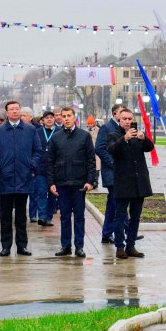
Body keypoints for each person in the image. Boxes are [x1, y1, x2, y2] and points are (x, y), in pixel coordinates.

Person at [0, 101, 42, 256]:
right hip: (4, 178)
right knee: (5, 216)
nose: (14, 112)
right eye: (11, 109)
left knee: (20, 216)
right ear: (6, 112)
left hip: (23, 177)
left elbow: (37, 150)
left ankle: (22, 246)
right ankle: (5, 246)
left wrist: (31, 165)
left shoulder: (30, 129)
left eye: (17, 109)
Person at [49, 108, 98, 257]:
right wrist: (51, 182)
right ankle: (65, 246)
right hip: (62, 183)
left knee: (78, 216)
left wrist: (90, 181)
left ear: (74, 117)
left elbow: (91, 160)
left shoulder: (84, 136)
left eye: (69, 116)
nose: (66, 119)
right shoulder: (56, 137)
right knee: (64, 216)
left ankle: (79, 246)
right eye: (63, 116)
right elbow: (50, 161)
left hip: (79, 183)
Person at [106, 107, 153, 259]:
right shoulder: (113, 135)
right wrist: (124, 138)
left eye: (129, 119)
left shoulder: (138, 134)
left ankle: (131, 245)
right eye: (124, 119)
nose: (127, 121)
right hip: (122, 183)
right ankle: (120, 246)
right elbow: (111, 149)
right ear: (119, 120)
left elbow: (150, 148)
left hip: (139, 182)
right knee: (120, 216)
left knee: (135, 216)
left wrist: (143, 138)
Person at [95, 104, 125, 244]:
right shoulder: (106, 128)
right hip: (111, 172)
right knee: (117, 202)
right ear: (115, 114)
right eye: (121, 113)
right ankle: (128, 229)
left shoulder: (124, 129)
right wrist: (113, 163)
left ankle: (107, 233)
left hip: (123, 172)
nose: (124, 117)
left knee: (114, 204)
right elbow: (99, 148)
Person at [30, 110, 58, 226]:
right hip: (40, 168)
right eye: (47, 118)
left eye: (51, 117)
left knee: (53, 194)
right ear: (43, 120)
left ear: (54, 119)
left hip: (55, 169)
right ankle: (42, 216)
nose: (49, 119)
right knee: (41, 192)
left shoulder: (59, 132)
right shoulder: (37, 132)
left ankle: (49, 216)